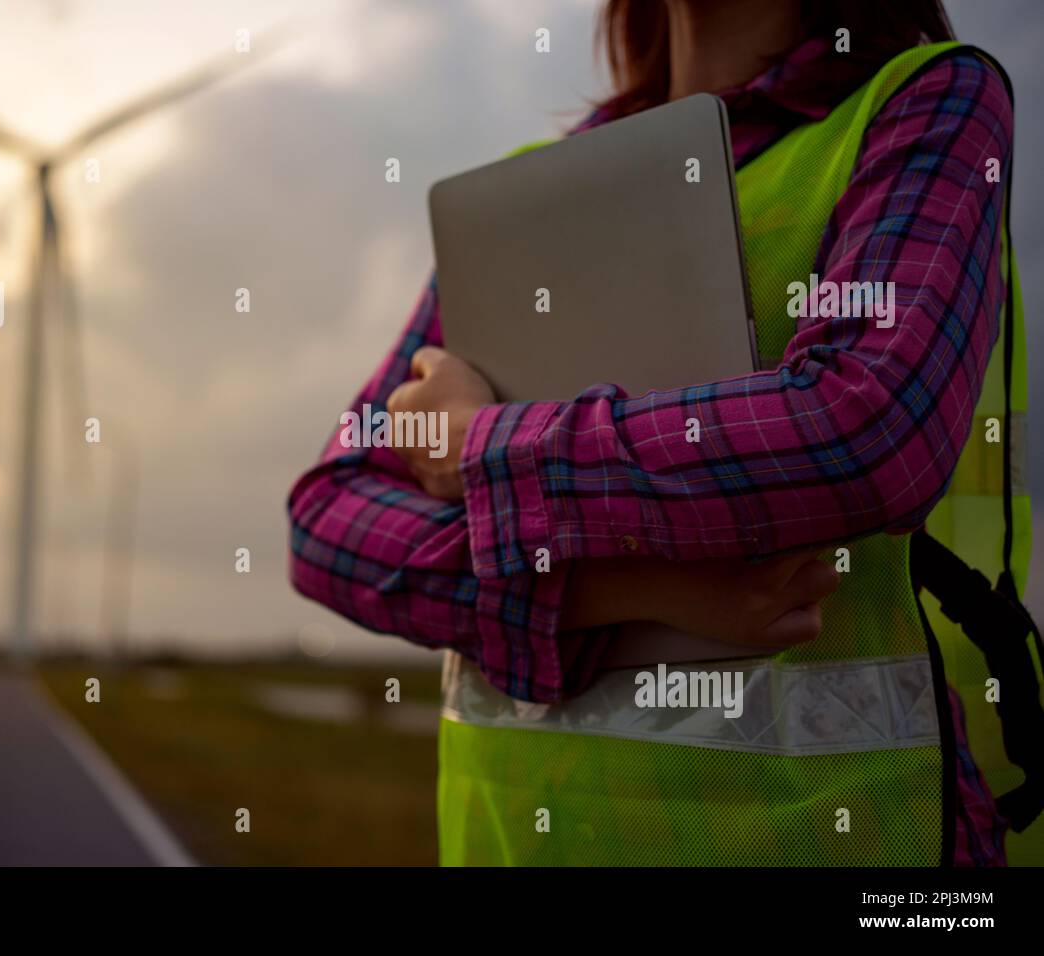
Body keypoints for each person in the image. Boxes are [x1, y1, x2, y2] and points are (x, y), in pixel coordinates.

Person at [288, 0, 1024, 865]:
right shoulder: (526, 190)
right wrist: (623, 592)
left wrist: (477, 448)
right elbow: (327, 522)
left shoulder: (926, 102)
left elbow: (861, 430)